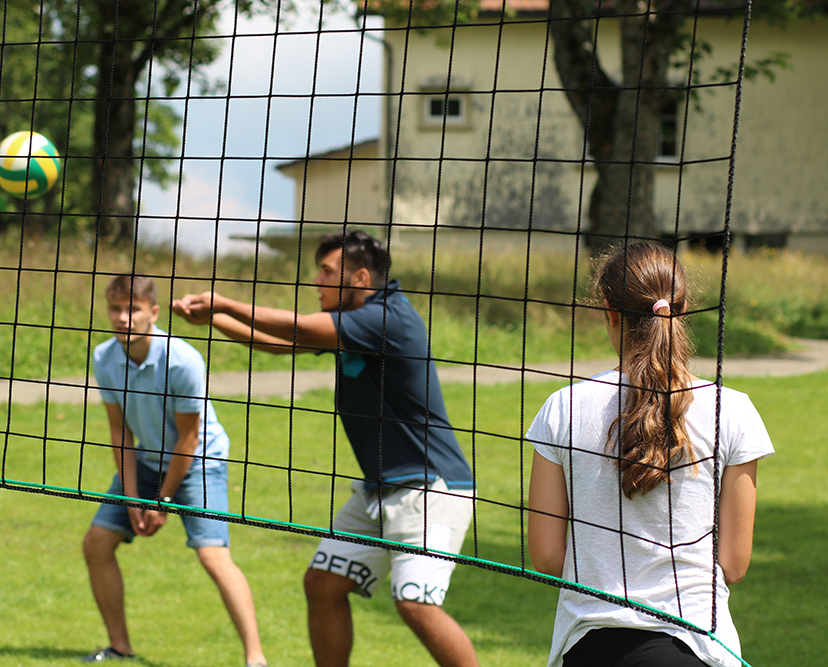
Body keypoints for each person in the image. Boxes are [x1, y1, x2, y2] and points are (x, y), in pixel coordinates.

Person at [171, 229, 479, 667]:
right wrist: (215, 320)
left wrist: (225, 302)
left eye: (327, 272)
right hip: (381, 488)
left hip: (430, 490)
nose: (316, 281)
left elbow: (298, 326)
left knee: (416, 605)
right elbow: (284, 342)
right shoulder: (358, 322)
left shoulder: (389, 317)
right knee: (323, 583)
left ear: (361, 278)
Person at [526, 242, 775, 667]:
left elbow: (547, 556)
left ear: (609, 310)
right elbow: (732, 564)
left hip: (590, 646)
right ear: (682, 308)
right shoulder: (732, 410)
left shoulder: (563, 408)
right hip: (696, 647)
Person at [81, 274, 268, 666]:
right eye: (115, 308)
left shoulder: (181, 360)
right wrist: (133, 498)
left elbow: (189, 439)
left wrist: (162, 502)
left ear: (153, 312)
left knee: (213, 556)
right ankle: (120, 648)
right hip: (147, 460)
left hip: (199, 463)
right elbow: (120, 432)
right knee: (97, 543)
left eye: (131, 309)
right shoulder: (104, 357)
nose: (122, 318)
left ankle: (256, 658)